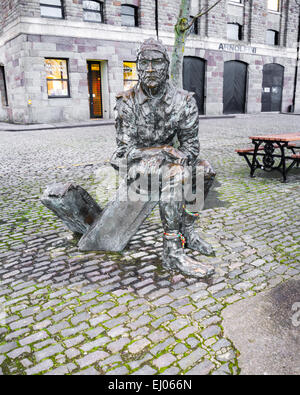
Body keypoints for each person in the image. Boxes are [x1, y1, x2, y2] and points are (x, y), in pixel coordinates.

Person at [110, 38, 216, 278]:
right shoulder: (126, 102)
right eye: (144, 62)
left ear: (166, 66)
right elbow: (124, 149)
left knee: (205, 170)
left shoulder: (184, 101)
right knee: (177, 175)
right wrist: (163, 153)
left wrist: (176, 156)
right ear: (137, 66)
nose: (150, 69)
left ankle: (187, 231)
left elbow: (190, 145)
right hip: (136, 163)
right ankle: (171, 250)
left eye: (156, 62)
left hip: (167, 161)